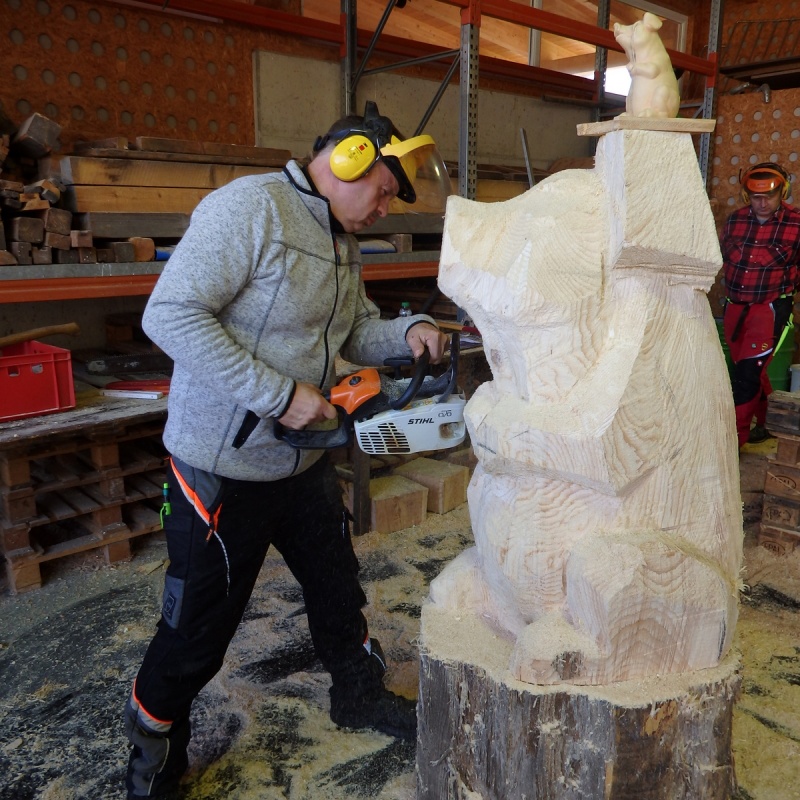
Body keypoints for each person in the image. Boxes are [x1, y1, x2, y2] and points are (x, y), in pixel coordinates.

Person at [123, 101, 452, 799]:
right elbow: (169, 314)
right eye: (382, 192)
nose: (384, 210)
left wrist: (410, 331)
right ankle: (154, 750)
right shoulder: (251, 209)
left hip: (301, 459)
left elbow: (352, 330)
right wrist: (277, 394)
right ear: (348, 160)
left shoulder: (338, 237)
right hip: (223, 468)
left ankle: (357, 693)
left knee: (337, 587)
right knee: (196, 631)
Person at [720, 161, 800, 448]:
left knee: (747, 375)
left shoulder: (796, 223)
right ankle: (767, 424)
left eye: (769, 196)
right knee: (747, 368)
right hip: (735, 307)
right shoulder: (735, 221)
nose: (762, 203)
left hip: (769, 308)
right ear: (747, 196)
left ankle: (734, 443)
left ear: (783, 192)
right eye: (756, 197)